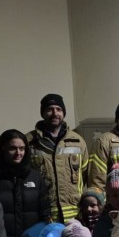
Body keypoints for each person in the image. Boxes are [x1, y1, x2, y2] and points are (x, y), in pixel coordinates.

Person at [26, 93, 88, 222]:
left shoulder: (78, 141)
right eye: (50, 109)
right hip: (43, 214)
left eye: (58, 109)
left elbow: (85, 173)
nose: (55, 113)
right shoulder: (29, 142)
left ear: (63, 113)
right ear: (43, 113)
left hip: (75, 215)